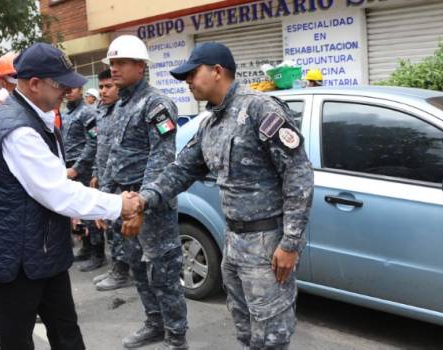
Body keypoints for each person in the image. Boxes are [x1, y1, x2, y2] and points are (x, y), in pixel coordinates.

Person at [133, 42, 314, 349]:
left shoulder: (260, 109)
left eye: (192, 73)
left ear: (217, 71)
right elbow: (182, 169)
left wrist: (290, 243)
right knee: (245, 332)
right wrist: (143, 199)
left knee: (271, 338)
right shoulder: (212, 123)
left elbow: (298, 175)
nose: (187, 81)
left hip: (267, 246)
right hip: (233, 244)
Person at [0, 43, 143, 350]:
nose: (66, 91)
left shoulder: (38, 115)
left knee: (66, 333)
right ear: (34, 84)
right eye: (60, 84)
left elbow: (54, 182)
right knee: (17, 341)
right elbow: (57, 192)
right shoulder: (18, 129)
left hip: (42, 251)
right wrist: (119, 204)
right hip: (13, 263)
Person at [100, 35, 188, 349]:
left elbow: (161, 158)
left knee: (162, 272)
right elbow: (114, 155)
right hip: (124, 202)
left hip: (151, 205)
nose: (115, 69)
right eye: (112, 63)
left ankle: (176, 337)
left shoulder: (156, 104)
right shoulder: (120, 103)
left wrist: (141, 205)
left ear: (140, 66)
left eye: (121, 62)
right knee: (137, 266)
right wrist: (107, 202)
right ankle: (154, 323)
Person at [89, 69, 133, 291]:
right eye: (101, 87)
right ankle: (116, 267)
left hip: (118, 180)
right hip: (105, 176)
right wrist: (96, 173)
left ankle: (122, 273)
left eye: (108, 86)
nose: (103, 91)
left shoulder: (122, 112)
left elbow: (118, 153)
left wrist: (107, 184)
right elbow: (100, 147)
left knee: (117, 228)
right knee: (111, 229)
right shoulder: (102, 111)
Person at [61, 86, 102, 270]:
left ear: (81, 90)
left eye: (72, 89)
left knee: (90, 211)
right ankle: (85, 247)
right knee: (78, 212)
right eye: (66, 89)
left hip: (83, 169)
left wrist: (77, 168)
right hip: (70, 167)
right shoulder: (66, 112)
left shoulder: (87, 112)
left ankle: (98, 254)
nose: (68, 91)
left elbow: (93, 143)